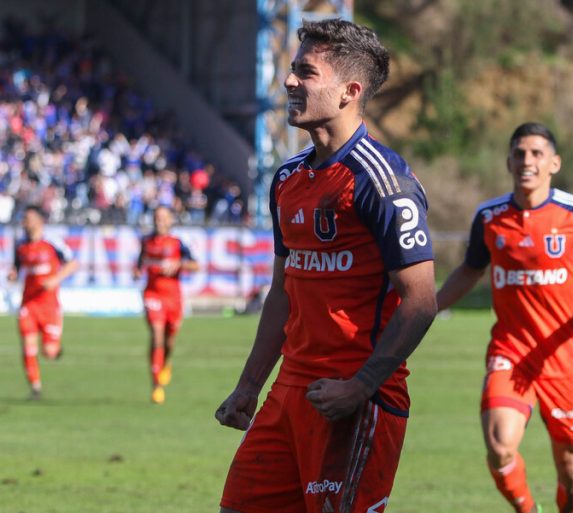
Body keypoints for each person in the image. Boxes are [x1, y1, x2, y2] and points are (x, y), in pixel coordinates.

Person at [215, 18, 437, 513]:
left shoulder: (384, 182)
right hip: (289, 391)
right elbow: (282, 292)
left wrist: (359, 386)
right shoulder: (287, 178)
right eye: (293, 69)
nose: (290, 81)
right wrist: (250, 385)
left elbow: (420, 302)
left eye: (306, 73)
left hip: (353, 396)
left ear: (348, 92)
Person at [436, 122, 573, 513]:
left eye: (536, 154)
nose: (526, 161)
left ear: (554, 163)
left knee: (572, 467)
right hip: (511, 351)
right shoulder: (489, 216)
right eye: (519, 153)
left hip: (563, 358)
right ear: (508, 161)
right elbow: (470, 269)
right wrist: (429, 305)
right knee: (499, 446)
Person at [8, 205, 78, 399]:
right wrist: (12, 274)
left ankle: (54, 348)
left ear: (39, 221)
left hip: (49, 305)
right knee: (28, 346)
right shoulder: (20, 245)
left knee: (49, 352)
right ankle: (35, 387)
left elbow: (73, 263)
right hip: (28, 303)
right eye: (24, 219)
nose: (25, 223)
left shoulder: (52, 242)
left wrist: (56, 279)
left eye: (28, 219)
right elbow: (16, 267)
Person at [134, 205, 199, 404]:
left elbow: (196, 265)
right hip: (152, 294)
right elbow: (139, 264)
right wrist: (137, 272)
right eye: (156, 218)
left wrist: (178, 264)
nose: (159, 221)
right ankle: (156, 385)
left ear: (171, 220)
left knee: (169, 341)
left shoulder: (179, 243)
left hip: (173, 297)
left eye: (163, 218)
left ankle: (165, 362)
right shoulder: (146, 241)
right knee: (157, 334)